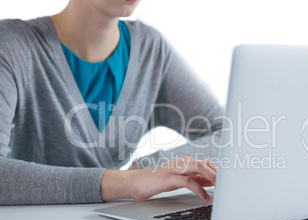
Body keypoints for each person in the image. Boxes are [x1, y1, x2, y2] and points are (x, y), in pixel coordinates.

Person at [0, 0, 223, 205]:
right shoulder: (11, 45)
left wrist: (150, 168)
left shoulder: (150, 50)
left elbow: (229, 131)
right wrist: (128, 182)